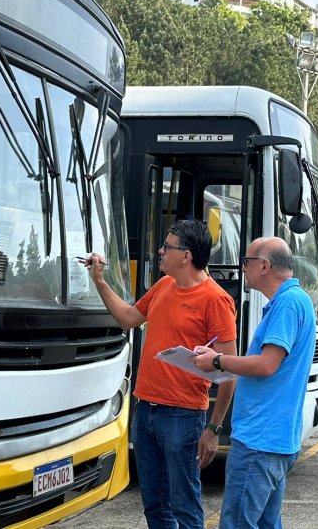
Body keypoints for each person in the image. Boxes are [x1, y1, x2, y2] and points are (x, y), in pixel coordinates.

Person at [83, 219, 237, 529]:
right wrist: (99, 279)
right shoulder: (164, 286)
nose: (160, 251)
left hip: (182, 416)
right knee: (154, 504)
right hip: (145, 409)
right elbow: (128, 318)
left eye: (167, 246)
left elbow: (228, 370)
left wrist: (214, 429)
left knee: (184, 504)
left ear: (186, 256)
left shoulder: (216, 299)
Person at [191, 236, 315, 529]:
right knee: (266, 523)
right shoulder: (297, 300)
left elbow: (266, 364)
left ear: (264, 265)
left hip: (260, 440)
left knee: (237, 523)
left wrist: (217, 361)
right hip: (275, 438)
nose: (242, 268)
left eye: (246, 262)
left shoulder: (286, 305)